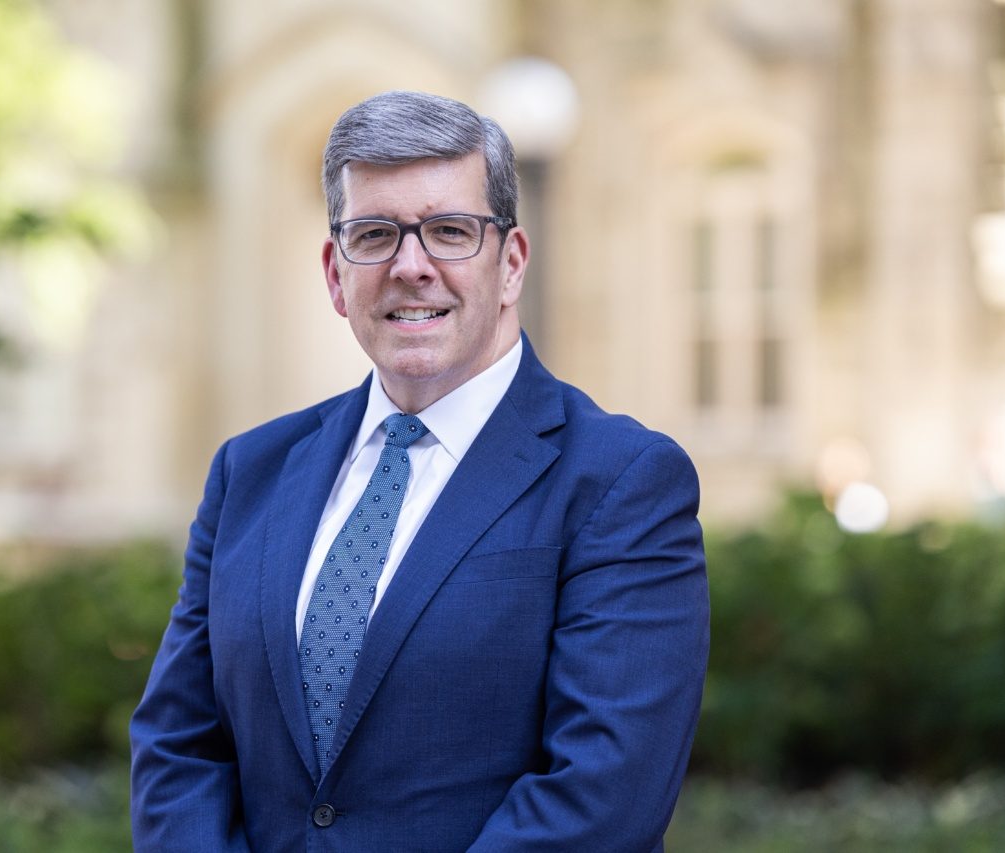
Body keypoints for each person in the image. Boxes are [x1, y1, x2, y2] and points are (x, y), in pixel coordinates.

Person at [130, 90, 709, 853]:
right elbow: (179, 745)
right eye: (375, 234)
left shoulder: (620, 482)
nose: (411, 266)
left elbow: (603, 794)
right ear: (336, 274)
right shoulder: (251, 472)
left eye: (449, 231)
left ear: (511, 263)